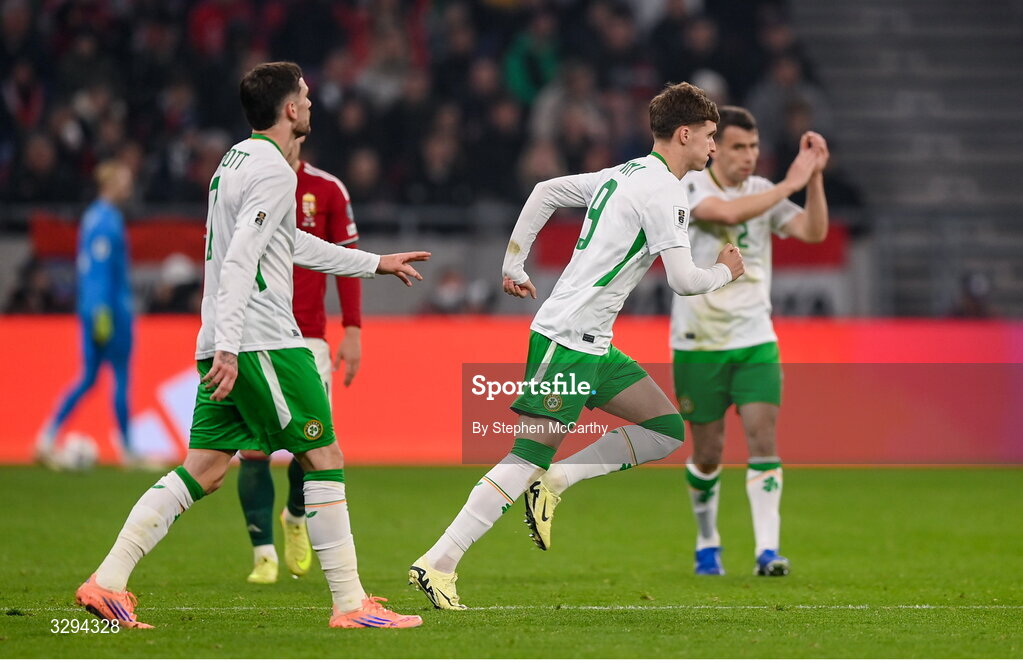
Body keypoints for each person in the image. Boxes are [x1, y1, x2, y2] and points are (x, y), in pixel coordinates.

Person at [74, 62, 429, 630]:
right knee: (324, 456)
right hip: (262, 341)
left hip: (224, 334)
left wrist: (374, 263)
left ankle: (106, 582)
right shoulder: (273, 171)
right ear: (289, 109)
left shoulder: (234, 160)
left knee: (205, 470)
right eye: (306, 97)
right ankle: (351, 605)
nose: (312, 104)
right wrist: (233, 348)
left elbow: (289, 245)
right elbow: (242, 257)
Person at [409, 82, 745, 610]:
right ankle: (438, 562)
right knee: (523, 458)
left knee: (664, 429)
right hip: (566, 340)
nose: (712, 147)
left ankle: (557, 481)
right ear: (684, 133)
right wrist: (725, 271)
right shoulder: (663, 190)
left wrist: (514, 262)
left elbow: (545, 191)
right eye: (708, 136)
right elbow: (683, 280)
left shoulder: (623, 173)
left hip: (593, 344)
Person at [670, 106, 829, 577]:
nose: (748, 156)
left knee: (763, 439)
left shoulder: (764, 191)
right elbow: (723, 213)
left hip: (756, 337)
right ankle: (707, 541)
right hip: (699, 341)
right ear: (715, 148)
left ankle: (767, 551)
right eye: (738, 147)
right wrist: (790, 183)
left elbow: (813, 231)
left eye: (754, 147)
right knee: (708, 453)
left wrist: (814, 178)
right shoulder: (693, 185)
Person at [237, 136, 364, 585]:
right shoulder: (245, 182)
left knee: (309, 443)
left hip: (307, 339)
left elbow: (344, 257)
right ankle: (263, 553)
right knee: (252, 449)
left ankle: (295, 516)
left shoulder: (326, 189)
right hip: (253, 334)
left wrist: (352, 327)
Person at [37, 160, 135, 468]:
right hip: (110, 311)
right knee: (120, 375)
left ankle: (48, 434)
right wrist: (102, 311)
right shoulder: (107, 221)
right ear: (109, 184)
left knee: (89, 378)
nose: (128, 187)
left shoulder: (92, 218)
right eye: (124, 181)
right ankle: (127, 448)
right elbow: (101, 271)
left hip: (93, 308)